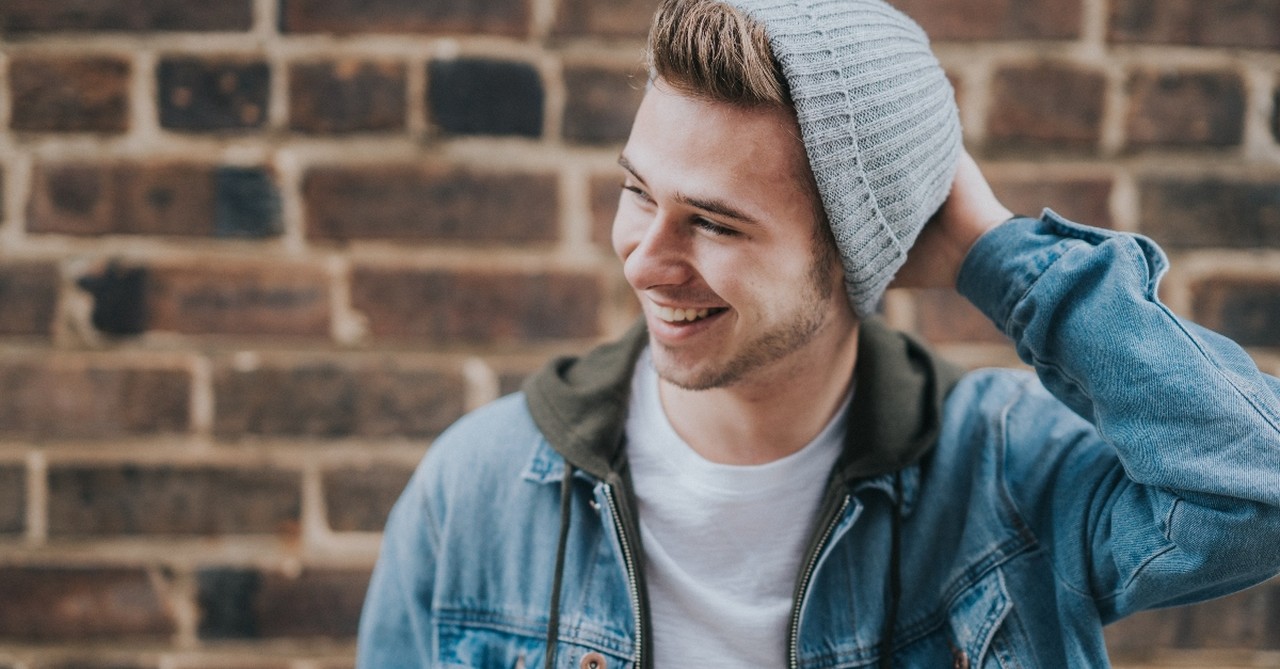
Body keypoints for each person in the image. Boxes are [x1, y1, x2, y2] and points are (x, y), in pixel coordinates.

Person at [356, 0, 1280, 666]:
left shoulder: (1006, 474)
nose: (644, 259)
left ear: (851, 254)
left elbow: (1257, 488)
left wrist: (992, 252)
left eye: (714, 223)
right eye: (639, 192)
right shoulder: (476, 489)